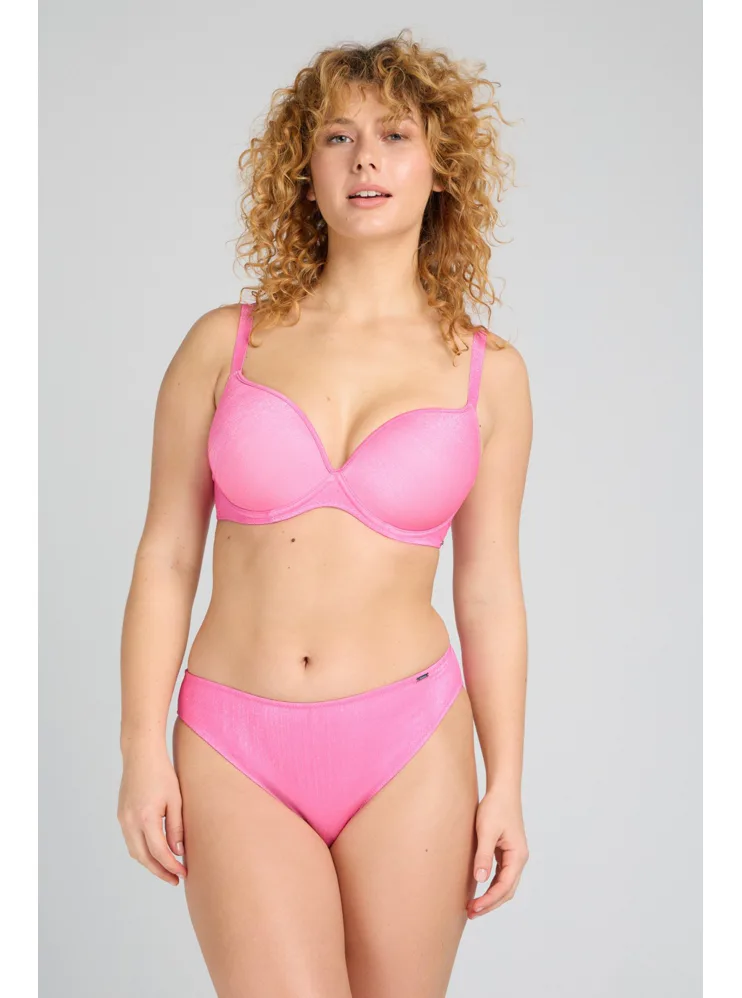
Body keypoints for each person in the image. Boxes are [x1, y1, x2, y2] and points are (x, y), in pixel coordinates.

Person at [117, 29, 532, 998]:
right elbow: (167, 557)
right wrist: (140, 747)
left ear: (441, 168)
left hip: (411, 743)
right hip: (234, 742)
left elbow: (488, 588)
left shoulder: (491, 374)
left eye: (394, 135)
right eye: (338, 137)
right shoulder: (224, 345)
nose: (365, 159)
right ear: (304, 172)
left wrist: (506, 778)